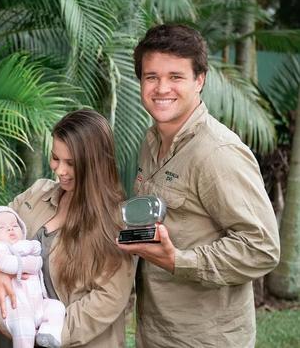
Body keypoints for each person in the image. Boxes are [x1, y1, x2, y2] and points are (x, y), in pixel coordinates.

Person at [116, 24, 280, 347]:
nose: (162, 87)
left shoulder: (217, 152)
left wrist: (180, 261)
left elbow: (262, 247)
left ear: (199, 80)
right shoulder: (151, 141)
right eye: (151, 77)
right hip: (157, 331)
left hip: (205, 338)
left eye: (175, 76)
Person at [0, 109, 135, 347]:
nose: (59, 170)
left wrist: (40, 333)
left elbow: (108, 300)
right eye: (55, 158)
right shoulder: (37, 194)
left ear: (94, 164)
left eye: (71, 163)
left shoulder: (116, 222)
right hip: (8, 336)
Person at [0, 205, 65, 348]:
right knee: (25, 327)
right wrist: (28, 261)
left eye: (14, 225)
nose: (10, 229)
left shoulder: (25, 245)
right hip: (15, 308)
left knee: (56, 307)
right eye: (1, 227)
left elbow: (38, 260)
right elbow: (6, 265)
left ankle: (48, 334)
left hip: (37, 305)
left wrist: (30, 258)